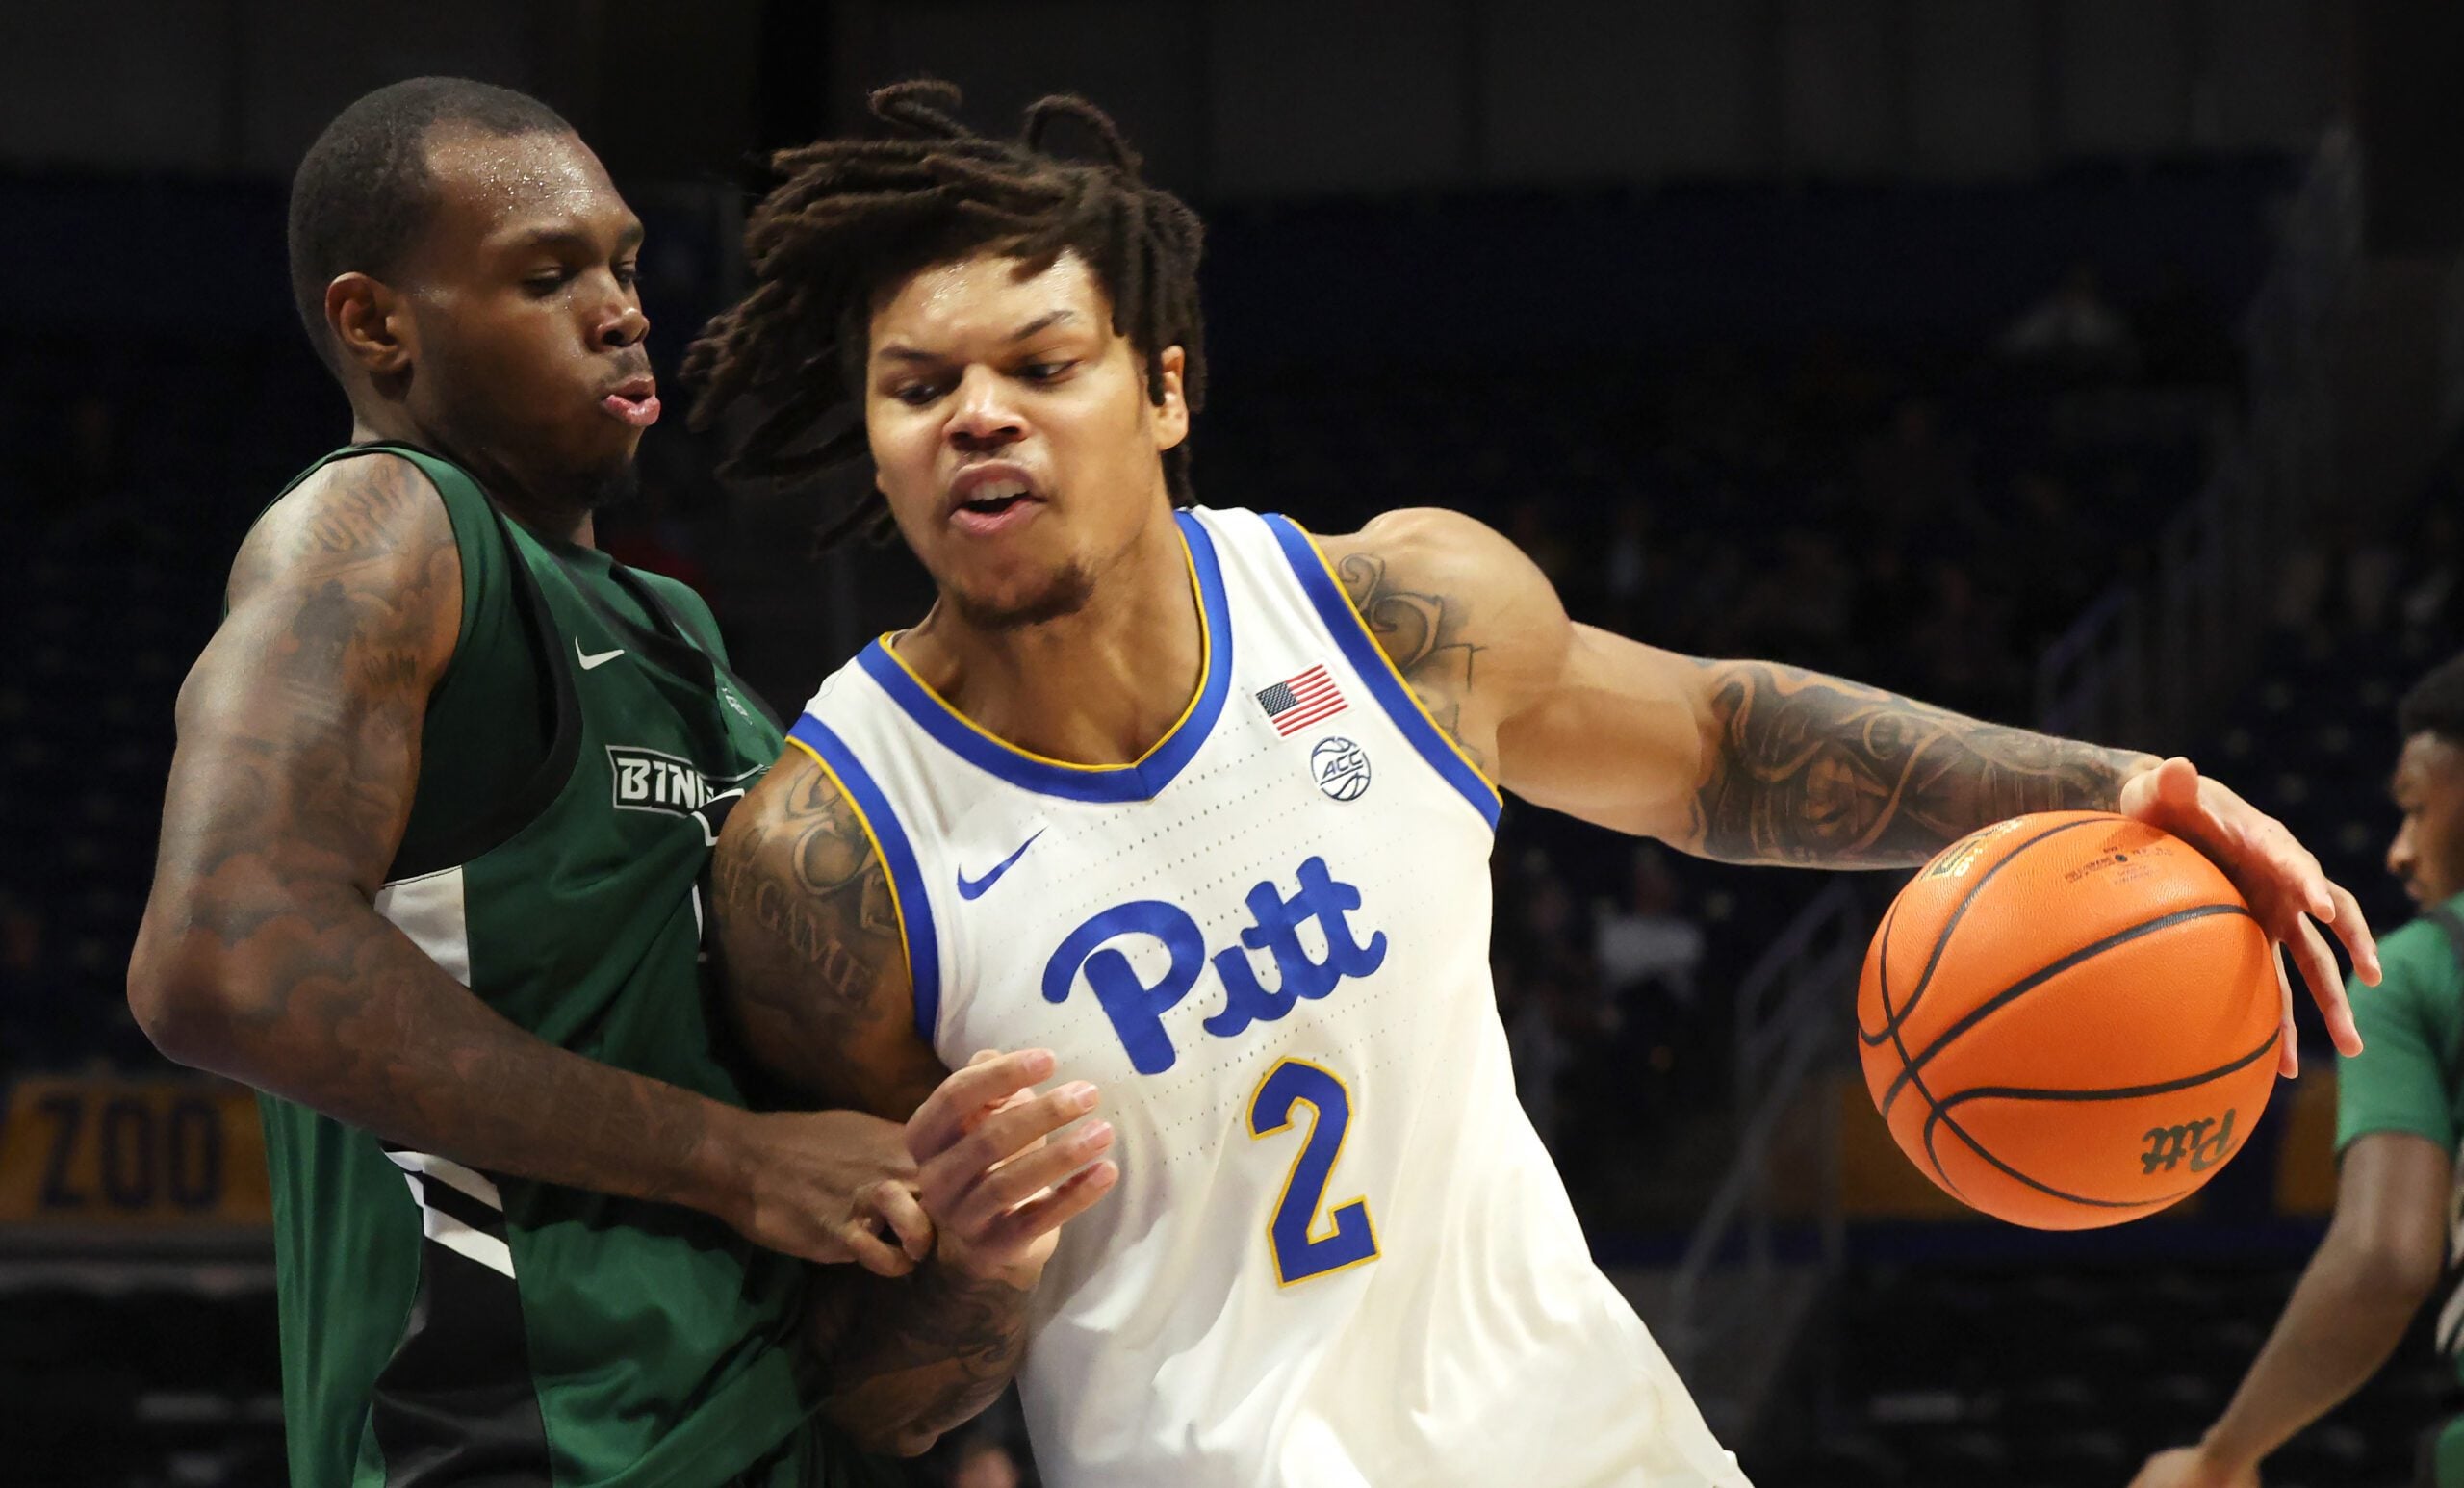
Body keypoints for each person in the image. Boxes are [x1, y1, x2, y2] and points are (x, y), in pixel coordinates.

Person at [696, 82, 2380, 1487]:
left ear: (1163, 388)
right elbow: (875, 1394)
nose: (976, 417)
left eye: (1041, 365)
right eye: (918, 388)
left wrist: (2113, 784)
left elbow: (1720, 747)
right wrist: (978, 1273)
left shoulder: (1391, 619)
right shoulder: (833, 849)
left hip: (1590, 1444)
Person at [127, 78, 1095, 1488]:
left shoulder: (679, 633)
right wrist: (740, 1158)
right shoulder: (387, 522)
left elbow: (857, 1300)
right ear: (376, 322)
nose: (623, 308)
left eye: (625, 264)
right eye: (546, 275)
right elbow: (222, 955)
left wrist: (962, 1234)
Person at [2131, 653, 2464, 1488]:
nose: (2396, 853)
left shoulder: (2421, 966)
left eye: (2415, 810)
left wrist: (2222, 1457)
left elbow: (2383, 1258)